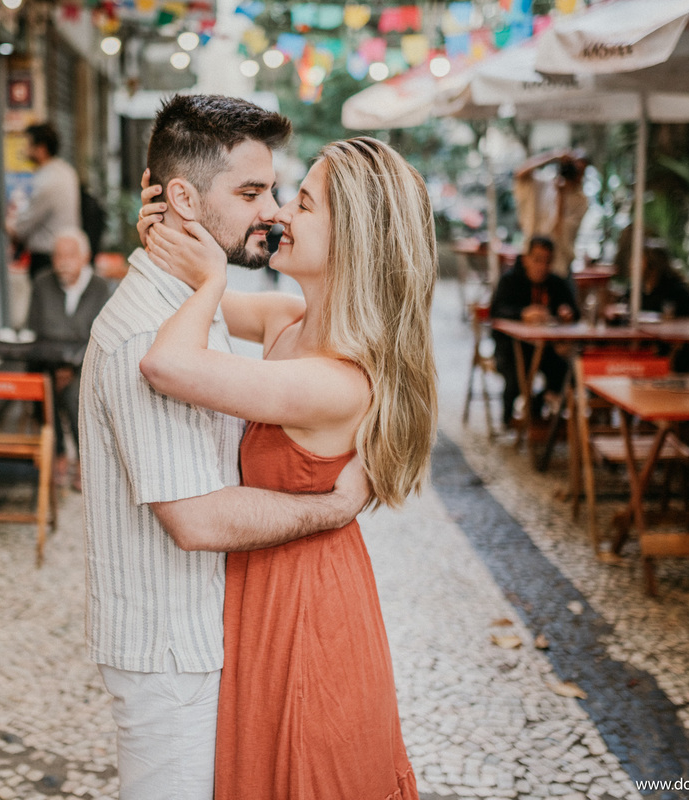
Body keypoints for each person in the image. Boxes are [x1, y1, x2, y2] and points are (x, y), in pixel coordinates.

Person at [78, 95, 371, 800]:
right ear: (183, 196)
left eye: (282, 194)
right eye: (253, 192)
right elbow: (197, 521)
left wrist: (200, 273)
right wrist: (334, 508)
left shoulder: (196, 306)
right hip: (173, 651)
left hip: (219, 633)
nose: (272, 211)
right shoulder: (147, 334)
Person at [136, 136, 429, 798]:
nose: (281, 217)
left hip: (308, 606)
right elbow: (178, 297)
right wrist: (168, 223)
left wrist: (212, 279)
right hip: (271, 581)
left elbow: (166, 364)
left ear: (352, 239)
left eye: (303, 204)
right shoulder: (289, 320)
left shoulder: (338, 381)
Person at [26, 229, 110, 491]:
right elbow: (34, 330)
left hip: (86, 367)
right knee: (41, 387)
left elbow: (103, 337)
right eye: (58, 256)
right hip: (47, 364)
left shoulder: (100, 288)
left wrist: (73, 367)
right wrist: (56, 366)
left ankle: (85, 460)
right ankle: (59, 453)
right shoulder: (42, 284)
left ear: (85, 257)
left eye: (70, 255)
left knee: (77, 394)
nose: (63, 262)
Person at [491, 236, 580, 428]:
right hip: (513, 347)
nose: (542, 266)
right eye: (537, 259)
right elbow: (496, 311)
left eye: (547, 261)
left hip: (547, 347)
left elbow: (573, 310)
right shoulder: (510, 281)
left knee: (567, 372)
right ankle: (508, 418)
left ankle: (537, 407)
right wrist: (522, 313)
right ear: (526, 259)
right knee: (517, 375)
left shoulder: (556, 283)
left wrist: (567, 313)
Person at [7, 124, 81, 279]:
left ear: (40, 149)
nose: (24, 150)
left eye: (28, 145)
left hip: (47, 257)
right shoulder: (66, 171)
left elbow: (22, 226)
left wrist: (7, 223)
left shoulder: (46, 181)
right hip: (67, 251)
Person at [514, 148, 588, 278]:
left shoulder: (581, 201)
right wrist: (553, 157)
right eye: (572, 166)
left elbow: (561, 231)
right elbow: (520, 174)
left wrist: (561, 197)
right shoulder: (545, 185)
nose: (575, 173)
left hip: (558, 264)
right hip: (532, 259)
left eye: (579, 170)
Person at [640, 246, 689, 318]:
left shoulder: (676, 292)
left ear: (653, 266)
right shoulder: (637, 292)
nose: (633, 265)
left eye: (640, 261)